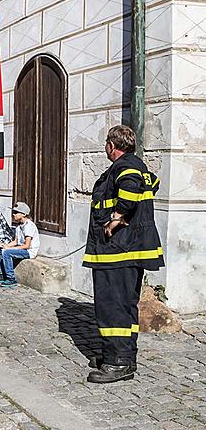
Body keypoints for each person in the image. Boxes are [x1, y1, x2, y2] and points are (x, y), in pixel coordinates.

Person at [84, 125, 163, 384]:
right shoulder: (135, 164)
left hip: (117, 251)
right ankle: (119, 355)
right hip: (122, 250)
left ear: (112, 145)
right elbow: (148, 184)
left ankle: (119, 363)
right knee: (123, 306)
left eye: (107, 143)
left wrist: (116, 218)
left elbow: (130, 188)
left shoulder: (125, 166)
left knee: (113, 306)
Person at [0, 202, 40, 288]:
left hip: (29, 251)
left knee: (7, 253)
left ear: (24, 214)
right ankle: (2, 274)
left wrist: (8, 249)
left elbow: (27, 245)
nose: (13, 214)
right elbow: (15, 241)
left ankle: (11, 278)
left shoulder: (29, 226)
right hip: (22, 249)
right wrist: (5, 245)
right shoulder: (19, 226)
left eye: (16, 212)